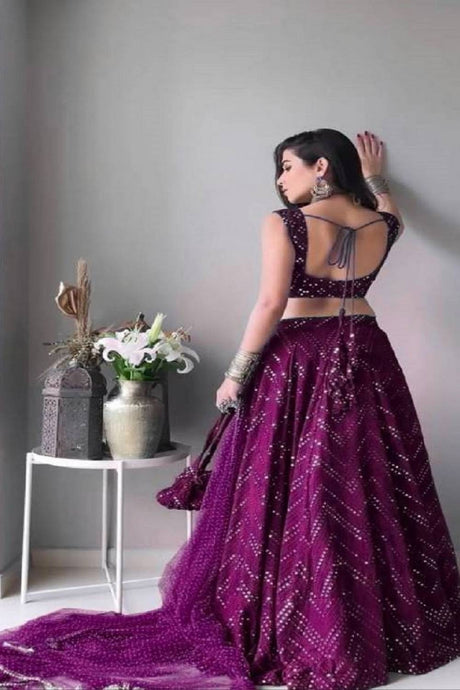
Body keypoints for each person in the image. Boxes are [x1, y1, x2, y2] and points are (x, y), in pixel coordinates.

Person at [1, 129, 459, 690]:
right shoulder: (379, 225)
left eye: (287, 166)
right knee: (363, 479)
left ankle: (301, 618)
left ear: (320, 166)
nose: (280, 180)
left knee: (293, 483)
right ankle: (368, 623)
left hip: (298, 359)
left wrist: (236, 373)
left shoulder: (285, 222)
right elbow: (395, 217)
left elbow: (270, 302)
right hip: (365, 353)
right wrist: (376, 180)